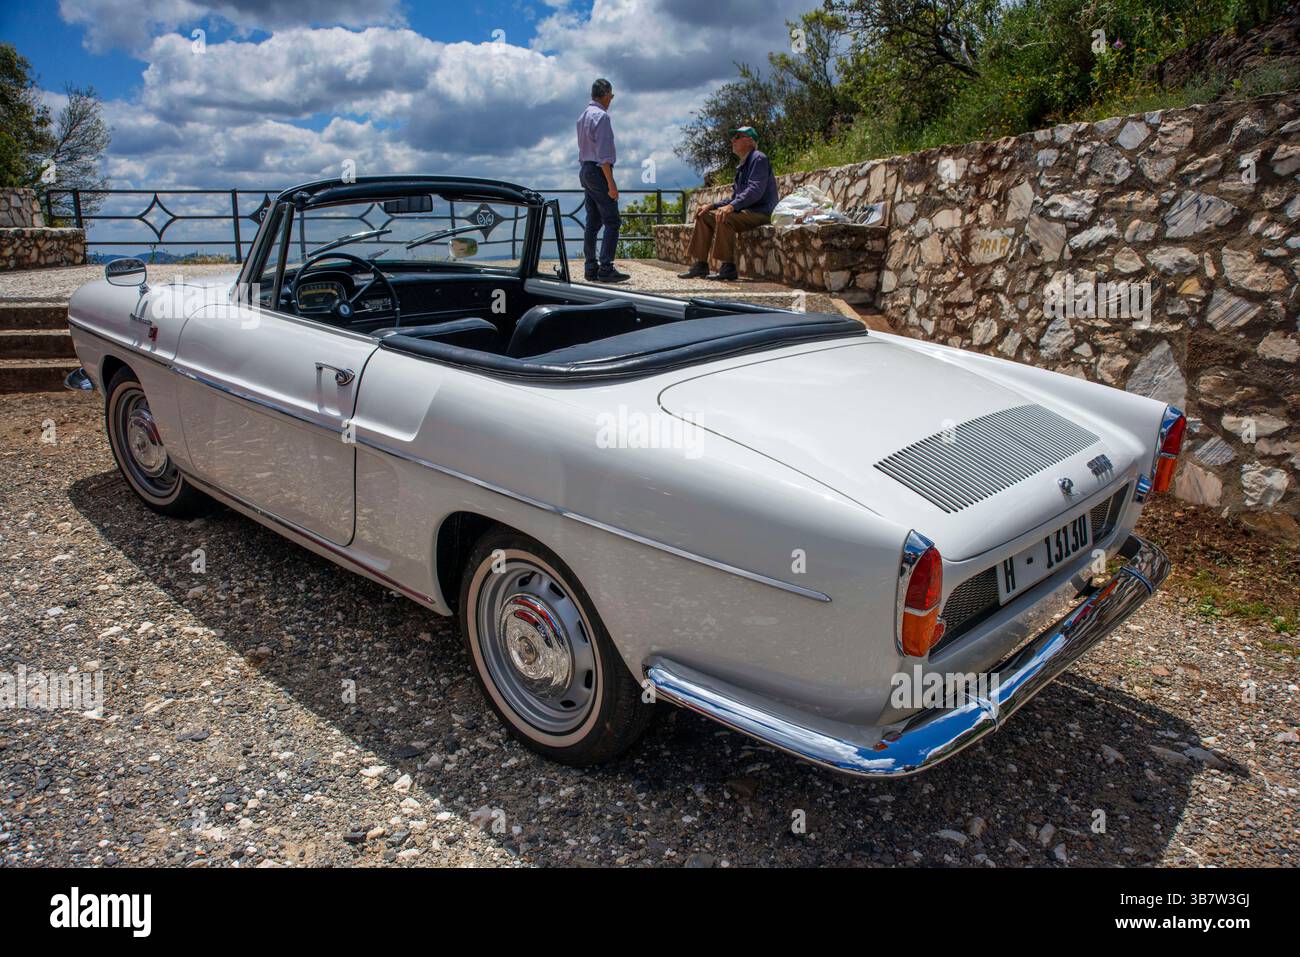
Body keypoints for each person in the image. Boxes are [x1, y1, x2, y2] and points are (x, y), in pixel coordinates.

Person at [678, 126, 779, 281]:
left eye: (737, 137)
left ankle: (728, 267)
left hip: (761, 212)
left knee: (726, 216)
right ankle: (701, 265)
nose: (733, 140)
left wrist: (732, 207)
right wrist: (712, 206)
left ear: (750, 141)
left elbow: (755, 190)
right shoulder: (742, 166)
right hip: (746, 212)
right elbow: (735, 197)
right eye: (733, 137)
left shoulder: (758, 159)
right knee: (704, 216)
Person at [576, 78, 629, 283]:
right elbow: (604, 155)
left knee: (593, 222)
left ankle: (591, 267)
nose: (611, 100)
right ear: (606, 94)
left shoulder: (582, 117)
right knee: (612, 221)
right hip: (598, 171)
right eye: (611, 96)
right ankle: (606, 268)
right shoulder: (602, 117)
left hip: (585, 170)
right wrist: (611, 185)